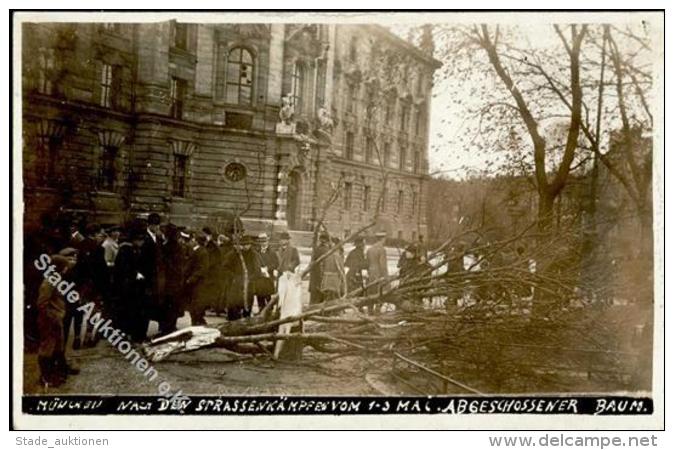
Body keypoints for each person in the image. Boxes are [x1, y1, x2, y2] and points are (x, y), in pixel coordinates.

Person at [37, 254, 80, 387]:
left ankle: (55, 374)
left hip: (56, 318)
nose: (67, 269)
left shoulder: (55, 279)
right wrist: (53, 317)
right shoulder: (49, 281)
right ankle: (45, 377)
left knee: (57, 347)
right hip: (50, 320)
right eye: (65, 266)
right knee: (47, 348)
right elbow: (42, 303)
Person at [134, 213, 165, 341]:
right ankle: (140, 334)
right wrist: (138, 273)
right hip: (144, 278)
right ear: (149, 225)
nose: (156, 227)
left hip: (154, 278)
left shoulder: (158, 239)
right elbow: (138, 258)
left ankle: (143, 333)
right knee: (142, 307)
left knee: (149, 306)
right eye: (154, 225)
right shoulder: (143, 238)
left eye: (157, 225)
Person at [159, 224, 186, 335]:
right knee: (173, 305)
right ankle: (171, 326)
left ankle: (166, 328)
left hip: (168, 280)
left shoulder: (166, 247)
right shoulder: (179, 247)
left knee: (167, 304)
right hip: (176, 280)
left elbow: (164, 264)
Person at [185, 231, 211, 326]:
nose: (192, 241)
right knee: (194, 306)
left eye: (194, 239)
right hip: (196, 283)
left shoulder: (202, 252)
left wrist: (191, 279)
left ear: (196, 241)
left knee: (196, 307)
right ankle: (196, 323)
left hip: (198, 284)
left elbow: (202, 269)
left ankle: (197, 324)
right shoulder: (197, 250)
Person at [366, 231, 389, 314]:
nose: (385, 241)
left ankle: (370, 309)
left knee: (371, 291)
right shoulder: (382, 250)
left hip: (371, 272)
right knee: (380, 291)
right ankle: (377, 309)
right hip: (378, 272)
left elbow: (367, 262)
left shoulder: (370, 249)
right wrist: (386, 277)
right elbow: (383, 265)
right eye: (384, 239)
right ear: (382, 239)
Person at [255, 233, 279, 311]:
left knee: (268, 295)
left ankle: (269, 311)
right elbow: (254, 262)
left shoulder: (272, 252)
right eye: (261, 242)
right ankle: (261, 311)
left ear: (267, 242)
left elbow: (276, 263)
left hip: (268, 278)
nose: (263, 243)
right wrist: (259, 269)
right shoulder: (256, 252)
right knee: (259, 295)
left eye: (264, 241)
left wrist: (268, 268)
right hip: (259, 277)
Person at [321, 237, 346, 302]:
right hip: (334, 279)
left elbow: (322, 267)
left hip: (326, 278)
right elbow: (340, 269)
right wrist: (343, 279)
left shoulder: (326, 255)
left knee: (327, 296)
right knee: (335, 296)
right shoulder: (337, 256)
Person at [309, 232, 331, 305]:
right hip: (322, 277)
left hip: (315, 277)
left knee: (315, 298)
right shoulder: (328, 250)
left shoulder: (316, 249)